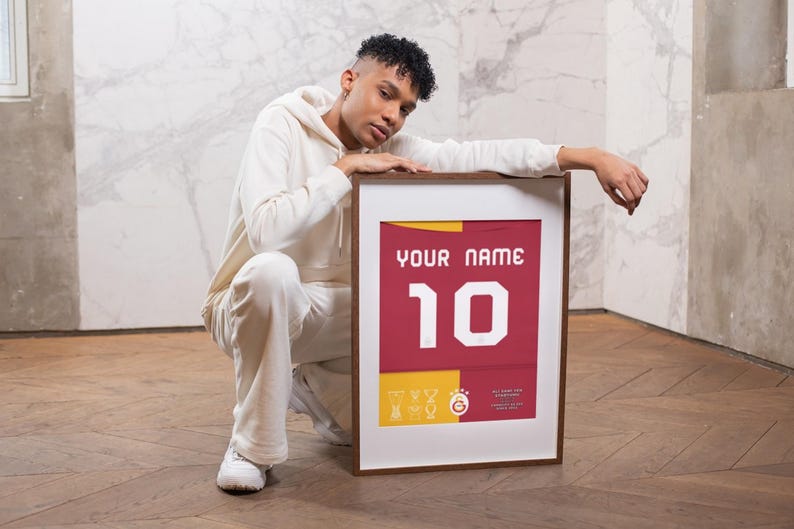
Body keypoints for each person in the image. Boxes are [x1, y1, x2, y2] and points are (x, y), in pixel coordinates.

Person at [202, 33, 648, 492]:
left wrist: (587, 157)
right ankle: (251, 448)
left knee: (389, 353)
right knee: (272, 272)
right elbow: (266, 230)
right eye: (386, 94)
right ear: (349, 80)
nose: (392, 115)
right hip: (244, 306)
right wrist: (345, 170)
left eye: (406, 108)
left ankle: (310, 385)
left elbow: (477, 155)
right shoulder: (281, 123)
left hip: (329, 314)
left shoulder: (393, 149)